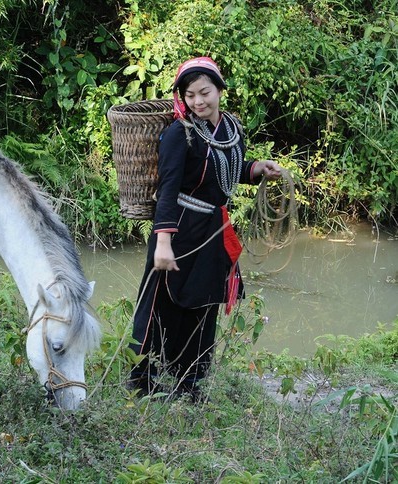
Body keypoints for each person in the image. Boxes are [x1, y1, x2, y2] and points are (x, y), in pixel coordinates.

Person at [127, 56, 282, 401]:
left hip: (213, 229)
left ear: (219, 90)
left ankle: (190, 382)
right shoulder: (177, 134)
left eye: (205, 92)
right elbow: (167, 188)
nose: (198, 101)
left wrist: (256, 168)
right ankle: (143, 381)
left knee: (203, 305)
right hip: (179, 229)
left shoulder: (230, 127)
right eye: (190, 95)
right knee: (163, 303)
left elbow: (226, 169)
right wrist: (163, 242)